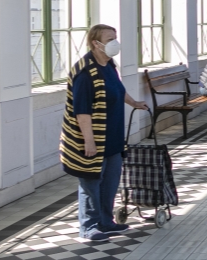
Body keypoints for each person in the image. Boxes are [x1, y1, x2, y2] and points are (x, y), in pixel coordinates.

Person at [59, 24, 148, 243]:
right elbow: (82, 113)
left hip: (113, 138)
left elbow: (117, 88)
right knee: (90, 183)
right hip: (89, 139)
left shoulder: (109, 64)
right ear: (95, 43)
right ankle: (88, 227)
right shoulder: (84, 72)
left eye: (115, 38)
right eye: (109, 39)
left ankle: (106, 222)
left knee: (110, 182)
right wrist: (89, 142)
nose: (114, 43)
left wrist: (134, 102)